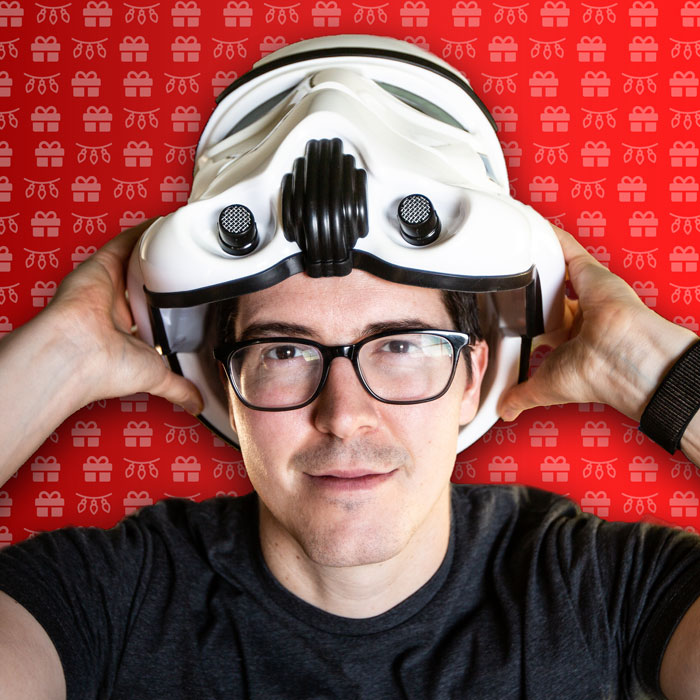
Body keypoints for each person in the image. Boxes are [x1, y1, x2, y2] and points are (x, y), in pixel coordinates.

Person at [1, 36, 700, 700]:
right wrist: (63, 355)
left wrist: (655, 372)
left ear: (473, 378)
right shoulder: (104, 597)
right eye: (284, 351)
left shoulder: (604, 587)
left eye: (399, 346)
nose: (342, 416)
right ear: (224, 388)